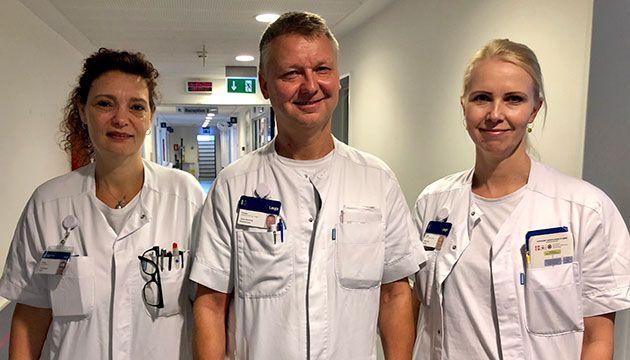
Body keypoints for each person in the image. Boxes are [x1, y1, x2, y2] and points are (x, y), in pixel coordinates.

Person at [191, 11, 425, 360]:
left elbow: (394, 294)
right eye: (291, 73)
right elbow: (210, 303)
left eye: (322, 69)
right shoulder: (233, 185)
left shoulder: (377, 180)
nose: (310, 85)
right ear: (265, 85)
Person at [412, 39, 630, 359]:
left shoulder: (585, 210)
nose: (495, 114)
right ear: (464, 105)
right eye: (482, 98)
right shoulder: (432, 204)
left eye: (513, 99)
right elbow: (415, 309)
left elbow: (598, 337)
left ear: (534, 109)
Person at [0, 48, 204, 359]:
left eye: (136, 107)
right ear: (82, 110)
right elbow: (31, 315)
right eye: (105, 103)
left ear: (150, 117)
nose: (121, 119)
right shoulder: (48, 204)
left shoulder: (184, 196)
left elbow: (207, 304)